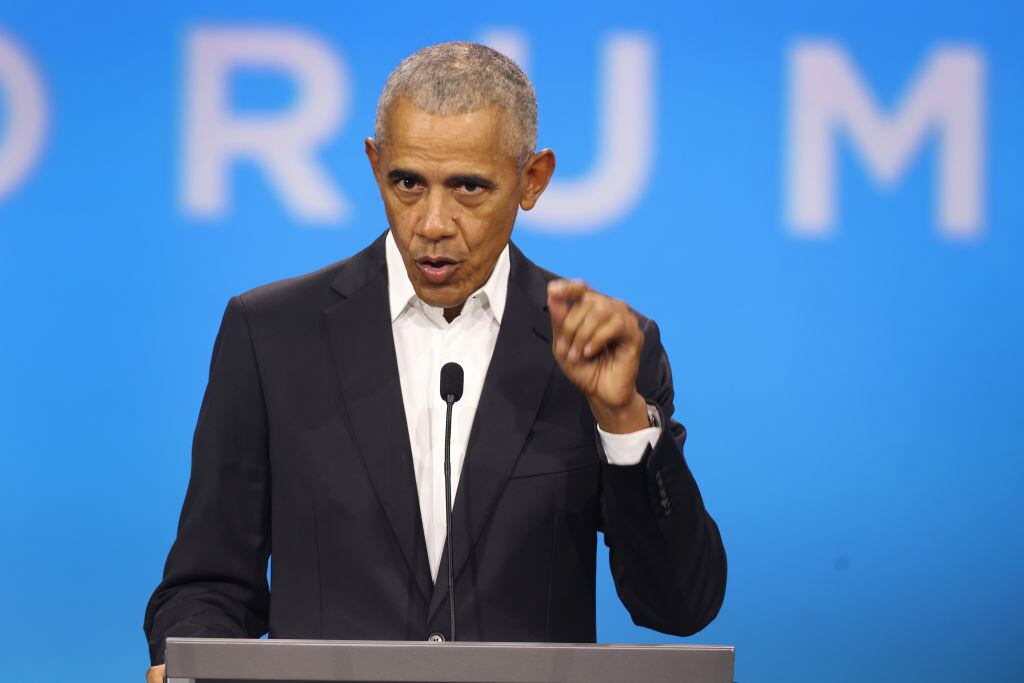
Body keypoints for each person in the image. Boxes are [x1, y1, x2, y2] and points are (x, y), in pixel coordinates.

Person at [144, 41, 726, 683]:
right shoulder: (272, 335)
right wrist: (186, 661)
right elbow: (207, 585)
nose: (433, 223)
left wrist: (620, 418)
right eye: (408, 183)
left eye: (469, 188)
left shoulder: (604, 351)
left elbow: (679, 606)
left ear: (533, 180)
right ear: (375, 164)